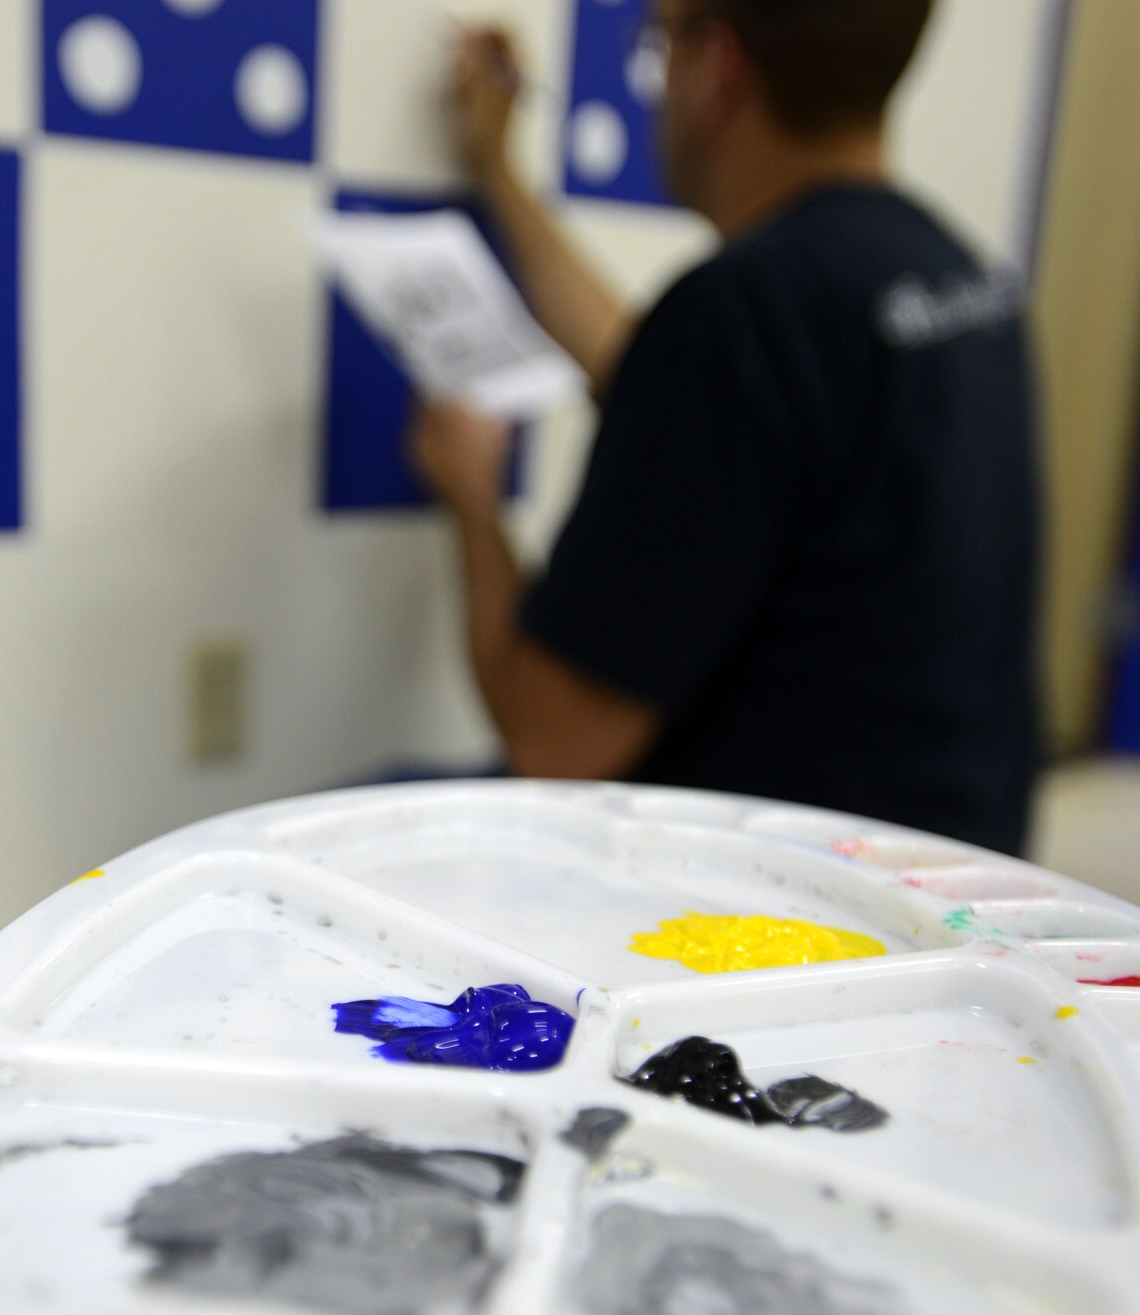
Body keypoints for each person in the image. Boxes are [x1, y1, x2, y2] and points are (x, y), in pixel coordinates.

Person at [413, 0, 1041, 853]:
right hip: (945, 868)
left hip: (761, 907)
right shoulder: (958, 279)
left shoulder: (737, 322)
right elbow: (702, 402)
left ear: (718, 68)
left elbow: (548, 745)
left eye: (660, 45)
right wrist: (500, 173)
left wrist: (473, 500)